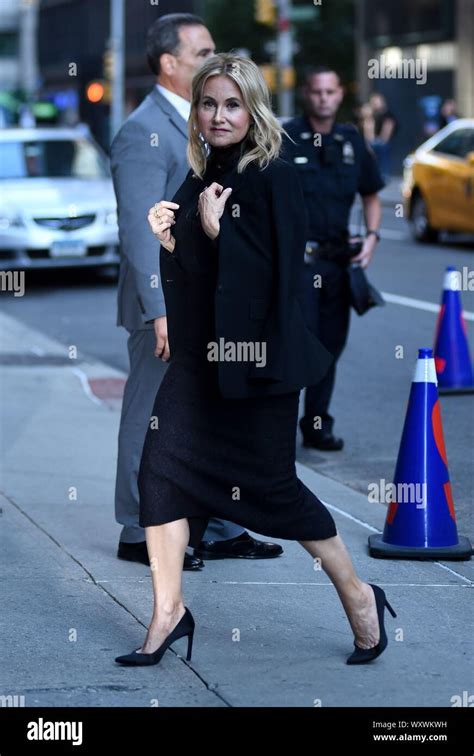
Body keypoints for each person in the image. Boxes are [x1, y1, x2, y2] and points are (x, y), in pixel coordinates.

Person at [115, 54, 396, 669]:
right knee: (159, 472)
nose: (219, 116)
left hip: (258, 364)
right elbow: (198, 282)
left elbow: (281, 277)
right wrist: (174, 240)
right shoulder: (201, 169)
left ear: (254, 109)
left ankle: (358, 595)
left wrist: (213, 236)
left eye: (232, 104)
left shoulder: (275, 172)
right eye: (208, 104)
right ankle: (168, 613)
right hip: (199, 363)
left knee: (276, 492)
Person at [111, 14, 282, 573]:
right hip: (165, 308)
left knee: (210, 413)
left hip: (203, 304)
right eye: (203, 50)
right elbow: (141, 229)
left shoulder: (198, 125)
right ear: (169, 63)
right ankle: (139, 531)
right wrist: (160, 312)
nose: (215, 56)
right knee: (150, 416)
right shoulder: (144, 129)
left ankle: (223, 525)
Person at [283, 67, 384, 451]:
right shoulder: (287, 136)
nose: (324, 98)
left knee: (329, 346)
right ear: (307, 93)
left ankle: (316, 424)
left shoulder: (351, 139)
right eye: (317, 91)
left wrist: (372, 237)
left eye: (330, 91)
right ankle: (279, 428)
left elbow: (372, 192)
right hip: (298, 263)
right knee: (298, 344)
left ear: (340, 94)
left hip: (338, 262)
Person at [368, 92, 397, 180]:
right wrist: (371, 139)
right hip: (374, 140)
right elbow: (369, 127)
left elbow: (388, 127)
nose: (375, 103)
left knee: (383, 159)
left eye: (376, 101)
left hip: (382, 141)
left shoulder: (387, 114)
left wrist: (383, 140)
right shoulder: (372, 114)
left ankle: (384, 175)